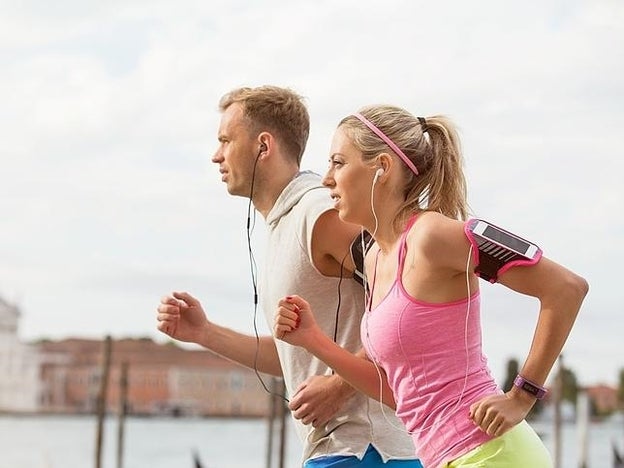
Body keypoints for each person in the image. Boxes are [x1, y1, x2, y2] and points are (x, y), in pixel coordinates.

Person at [274, 105, 589, 467]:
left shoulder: (431, 236)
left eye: (338, 162)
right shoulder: (375, 258)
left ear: (383, 168)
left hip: (491, 453)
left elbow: (566, 288)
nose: (326, 178)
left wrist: (523, 396)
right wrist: (313, 339)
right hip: (443, 457)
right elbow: (402, 394)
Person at [156, 87, 422, 467]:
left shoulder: (319, 214)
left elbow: (412, 291)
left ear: (263, 145)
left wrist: (340, 385)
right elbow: (295, 359)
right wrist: (204, 333)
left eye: (226, 140)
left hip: (366, 449)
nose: (216, 155)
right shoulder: (286, 224)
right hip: (342, 451)